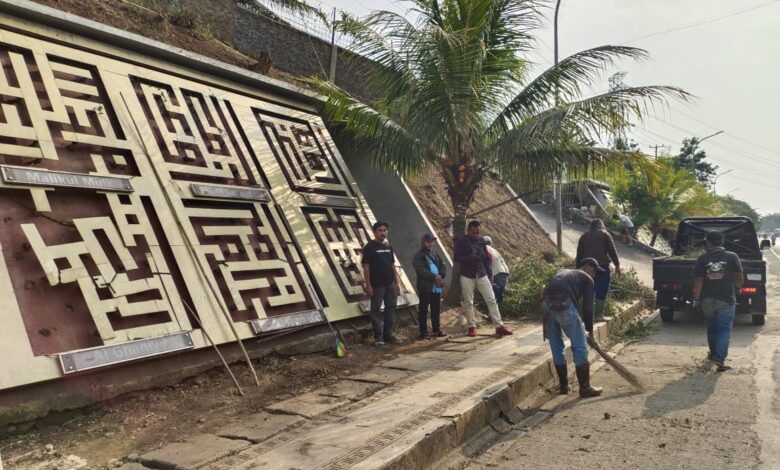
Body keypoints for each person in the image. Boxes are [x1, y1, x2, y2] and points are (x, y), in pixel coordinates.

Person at [541, 258, 604, 398]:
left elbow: (547, 290)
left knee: (556, 346)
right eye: (595, 271)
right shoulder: (587, 279)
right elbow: (588, 308)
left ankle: (564, 387)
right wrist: (590, 332)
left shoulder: (563, 272)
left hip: (547, 304)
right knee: (580, 345)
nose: (595, 275)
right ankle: (585, 388)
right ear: (587, 266)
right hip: (563, 304)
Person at [692, 230, 743, 371]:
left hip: (707, 300)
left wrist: (697, 298)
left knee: (711, 327)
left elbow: (698, 279)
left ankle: (713, 353)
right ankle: (719, 360)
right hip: (726, 299)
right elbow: (739, 275)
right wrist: (738, 289)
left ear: (708, 242)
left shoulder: (702, 258)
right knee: (724, 329)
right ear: (722, 241)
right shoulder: (732, 256)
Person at [453, 220, 513, 337]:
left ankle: (499, 326)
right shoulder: (461, 242)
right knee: (469, 302)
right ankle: (472, 326)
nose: (476, 235)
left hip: (482, 273)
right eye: (474, 232)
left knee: (491, 299)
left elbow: (486, 260)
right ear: (468, 231)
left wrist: (490, 276)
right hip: (467, 274)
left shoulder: (481, 241)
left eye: (478, 232)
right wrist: (470, 257)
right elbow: (457, 258)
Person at [361, 221, 401, 347]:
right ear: (374, 232)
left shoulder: (388, 246)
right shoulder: (369, 247)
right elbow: (366, 267)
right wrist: (368, 285)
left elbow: (392, 265)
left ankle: (388, 334)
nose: (383, 232)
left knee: (391, 308)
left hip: (390, 284)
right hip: (377, 285)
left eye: (384, 230)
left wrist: (397, 282)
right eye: (380, 230)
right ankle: (378, 338)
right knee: (376, 311)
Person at [576, 219, 621, 322]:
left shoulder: (584, 236)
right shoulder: (605, 234)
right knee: (602, 290)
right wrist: (617, 266)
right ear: (601, 226)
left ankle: (584, 316)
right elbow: (612, 251)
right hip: (601, 268)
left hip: (586, 269)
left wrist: (578, 268)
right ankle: (599, 315)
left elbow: (579, 254)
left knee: (586, 291)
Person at [412, 233, 447, 340]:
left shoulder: (435, 254)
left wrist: (440, 275)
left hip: (436, 286)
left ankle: (436, 330)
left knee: (436, 308)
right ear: (423, 242)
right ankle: (423, 332)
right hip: (425, 286)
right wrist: (434, 277)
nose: (431, 244)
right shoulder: (418, 256)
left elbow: (443, 265)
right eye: (428, 242)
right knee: (423, 309)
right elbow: (421, 271)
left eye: (432, 241)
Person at [483, 236, 509, 305]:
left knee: (494, 294)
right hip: (504, 272)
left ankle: (492, 314)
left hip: (497, 273)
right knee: (500, 295)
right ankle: (496, 314)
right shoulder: (494, 250)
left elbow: (488, 262)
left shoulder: (486, 249)